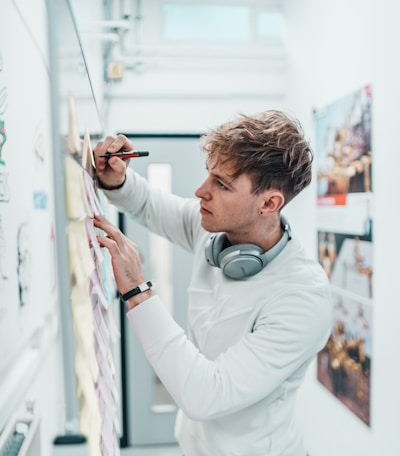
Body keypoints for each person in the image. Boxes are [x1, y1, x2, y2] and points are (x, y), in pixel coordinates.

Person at [93, 110, 333, 456]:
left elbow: (208, 394)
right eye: (209, 175)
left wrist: (137, 291)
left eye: (221, 184)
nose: (200, 191)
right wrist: (115, 179)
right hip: (196, 446)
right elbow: (149, 204)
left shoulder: (302, 297)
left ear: (269, 203)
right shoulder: (216, 233)